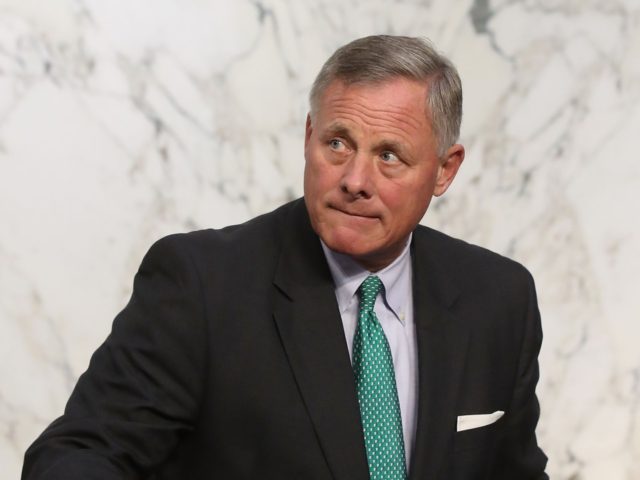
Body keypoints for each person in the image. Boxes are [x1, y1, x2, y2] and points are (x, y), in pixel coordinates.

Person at [22, 35, 548, 479]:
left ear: (444, 170)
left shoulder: (499, 298)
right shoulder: (201, 284)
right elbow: (77, 456)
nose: (354, 181)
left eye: (389, 156)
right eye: (338, 143)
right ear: (307, 138)